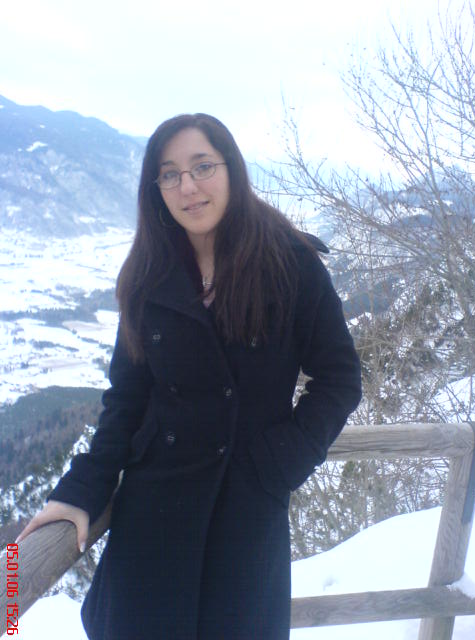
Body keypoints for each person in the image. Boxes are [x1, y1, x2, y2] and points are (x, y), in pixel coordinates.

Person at [16, 113, 362, 639]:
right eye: (170, 174)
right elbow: (127, 399)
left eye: (202, 166)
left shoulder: (290, 264)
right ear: (155, 188)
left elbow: (340, 378)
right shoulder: (148, 275)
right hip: (153, 517)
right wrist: (81, 491)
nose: (188, 186)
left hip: (247, 514)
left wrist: (278, 464)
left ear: (231, 169)